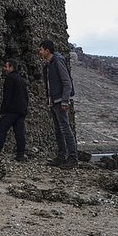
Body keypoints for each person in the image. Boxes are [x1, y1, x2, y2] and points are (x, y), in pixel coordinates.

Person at [38, 40, 78, 169]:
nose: (40, 52)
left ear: (47, 50)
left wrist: (65, 101)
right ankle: (61, 156)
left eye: (41, 49)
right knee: (58, 130)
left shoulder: (58, 61)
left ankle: (73, 158)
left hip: (60, 101)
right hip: (54, 101)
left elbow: (66, 82)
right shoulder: (49, 65)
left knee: (65, 129)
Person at [0, 59, 28, 161]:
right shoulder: (21, 79)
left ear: (11, 67)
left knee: (2, 129)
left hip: (11, 110)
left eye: (6, 66)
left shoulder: (10, 78)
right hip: (21, 110)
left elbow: (7, 96)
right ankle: (20, 154)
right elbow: (26, 96)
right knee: (19, 133)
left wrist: (3, 111)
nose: (5, 68)